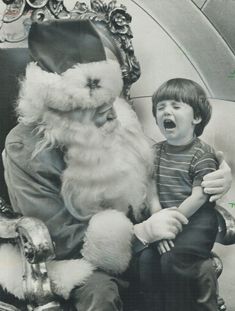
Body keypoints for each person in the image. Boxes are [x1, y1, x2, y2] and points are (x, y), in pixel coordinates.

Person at [1, 20, 232, 311]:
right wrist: (140, 234)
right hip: (70, 261)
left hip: (139, 245)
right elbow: (56, 236)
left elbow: (160, 170)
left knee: (196, 271)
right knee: (100, 291)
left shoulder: (118, 117)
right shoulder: (24, 146)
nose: (109, 111)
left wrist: (215, 175)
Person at [136, 78, 222, 311]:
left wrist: (169, 225)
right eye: (161, 107)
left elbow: (199, 196)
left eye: (176, 106)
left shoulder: (202, 153)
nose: (167, 111)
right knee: (146, 261)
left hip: (196, 222)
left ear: (196, 117)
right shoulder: (156, 151)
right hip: (165, 218)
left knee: (173, 259)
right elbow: (150, 186)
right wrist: (157, 217)